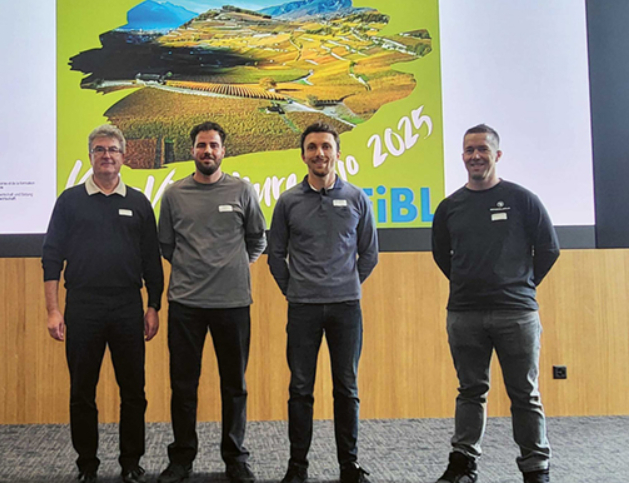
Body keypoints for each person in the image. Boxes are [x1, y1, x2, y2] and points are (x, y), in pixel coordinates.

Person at [431, 124, 560, 483]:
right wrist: (469, 284)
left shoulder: (523, 200)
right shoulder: (449, 207)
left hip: (516, 314)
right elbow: (442, 256)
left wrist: (520, 285)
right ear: (462, 156)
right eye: (469, 150)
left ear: (497, 154)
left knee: (525, 394)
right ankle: (463, 465)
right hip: (464, 314)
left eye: (483, 149)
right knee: (470, 391)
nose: (475, 156)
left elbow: (549, 249)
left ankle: (536, 468)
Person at [42, 124, 164, 483]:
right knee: (82, 391)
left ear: (123, 156)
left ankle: (131, 462)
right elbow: (51, 257)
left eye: (112, 149)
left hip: (127, 306)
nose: (106, 155)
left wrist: (153, 306)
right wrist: (53, 310)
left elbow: (151, 261)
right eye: (99, 149)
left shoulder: (139, 202)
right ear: (90, 156)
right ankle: (87, 464)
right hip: (83, 306)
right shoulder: (69, 201)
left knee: (133, 391)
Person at [267, 122, 379, 483]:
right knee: (300, 389)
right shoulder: (288, 201)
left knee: (346, 388)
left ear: (337, 153)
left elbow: (369, 254)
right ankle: (297, 467)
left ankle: (349, 466)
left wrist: (347, 283)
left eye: (326, 147)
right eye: (312, 147)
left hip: (346, 308)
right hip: (303, 308)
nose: (320, 153)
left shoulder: (357, 198)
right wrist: (294, 289)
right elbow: (275, 255)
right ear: (303, 156)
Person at [156, 121, 267, 483]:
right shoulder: (173, 194)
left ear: (223, 151)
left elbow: (257, 239)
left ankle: (235, 458)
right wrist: (195, 269)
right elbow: (166, 245)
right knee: (183, 385)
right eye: (201, 145)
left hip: (233, 303)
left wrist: (233, 267)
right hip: (186, 304)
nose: (207, 151)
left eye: (214, 145)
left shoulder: (242, 190)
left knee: (234, 385)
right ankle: (182, 458)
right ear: (192, 150)